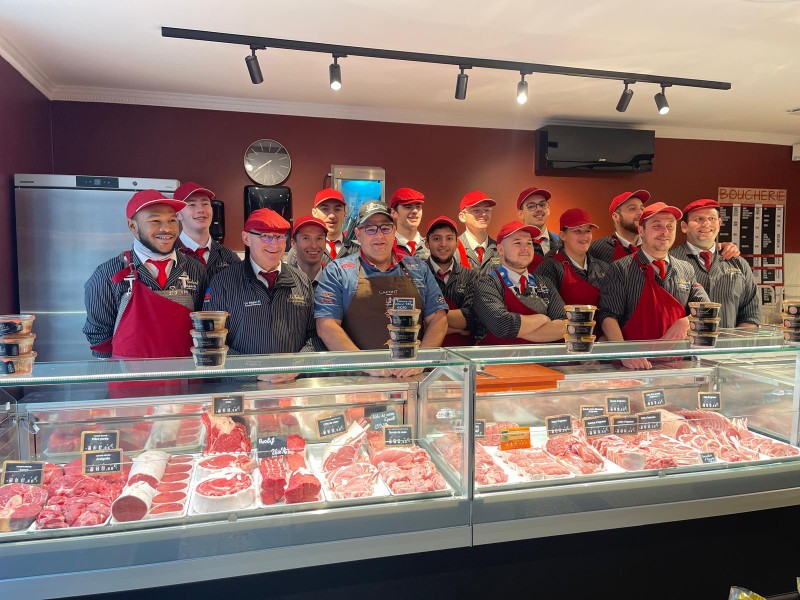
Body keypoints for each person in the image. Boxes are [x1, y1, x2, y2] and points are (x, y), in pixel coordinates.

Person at [315, 201, 448, 376]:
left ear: (394, 231)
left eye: (385, 228)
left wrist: (421, 361)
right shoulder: (338, 271)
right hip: (358, 379)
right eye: (370, 229)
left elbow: (438, 319)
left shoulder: (418, 269)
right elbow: (326, 325)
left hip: (410, 377)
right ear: (358, 234)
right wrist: (367, 365)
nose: (379, 236)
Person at [204, 208, 324, 383]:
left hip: (292, 386)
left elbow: (315, 335)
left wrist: (297, 365)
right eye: (265, 236)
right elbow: (210, 341)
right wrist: (255, 370)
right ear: (246, 238)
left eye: (280, 237)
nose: (274, 244)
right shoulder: (222, 283)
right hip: (239, 387)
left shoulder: (301, 280)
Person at [83, 189, 207, 359]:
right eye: (155, 220)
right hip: (128, 374)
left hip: (185, 373)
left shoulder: (196, 269)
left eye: (172, 220)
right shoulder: (107, 274)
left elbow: (206, 327)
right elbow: (100, 340)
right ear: (132, 226)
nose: (167, 229)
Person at [599, 202, 711, 369]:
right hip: (635, 365)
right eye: (657, 226)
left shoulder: (686, 269)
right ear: (641, 231)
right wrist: (624, 354)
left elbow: (707, 309)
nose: (664, 232)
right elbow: (608, 317)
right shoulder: (620, 269)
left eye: (670, 226)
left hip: (678, 365)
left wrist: (686, 322)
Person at [671, 198, 760, 329]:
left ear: (719, 223)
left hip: (732, 342)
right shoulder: (671, 262)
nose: (706, 224)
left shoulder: (738, 263)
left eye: (711, 218)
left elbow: (750, 315)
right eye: (698, 219)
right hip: (685, 342)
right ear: (684, 226)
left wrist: (737, 340)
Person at [474, 221, 567, 345]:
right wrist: (543, 319)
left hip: (542, 357)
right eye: (517, 243)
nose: (525, 248)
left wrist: (517, 330)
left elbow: (565, 325)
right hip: (500, 357)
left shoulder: (545, 283)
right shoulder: (487, 284)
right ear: (500, 250)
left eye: (529, 243)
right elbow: (502, 325)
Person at [534, 208, 609, 333]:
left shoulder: (604, 268)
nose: (584, 236)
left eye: (588, 231)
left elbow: (611, 310)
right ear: (562, 235)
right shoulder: (549, 267)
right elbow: (548, 313)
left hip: (599, 340)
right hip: (564, 340)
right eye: (577, 231)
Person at [425, 215, 480, 346]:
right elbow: (416, 321)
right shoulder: (417, 275)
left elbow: (473, 318)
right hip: (426, 352)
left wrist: (430, 319)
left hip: (463, 353)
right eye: (437, 238)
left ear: (457, 243)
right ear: (427, 243)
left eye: (449, 238)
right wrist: (459, 328)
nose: (443, 244)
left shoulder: (471, 276)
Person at [173, 181, 241, 280]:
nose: (201, 210)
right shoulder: (168, 255)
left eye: (205, 203)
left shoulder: (230, 258)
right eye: (192, 204)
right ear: (178, 214)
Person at [589, 190, 651, 263]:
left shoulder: (653, 244)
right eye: (632, 208)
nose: (640, 213)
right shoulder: (598, 249)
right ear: (616, 216)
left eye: (642, 209)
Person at [516, 186, 561, 271]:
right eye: (531, 206)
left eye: (542, 204)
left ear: (548, 209)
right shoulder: (512, 246)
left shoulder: (562, 243)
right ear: (521, 214)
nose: (539, 209)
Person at [456, 190, 500, 274]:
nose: (483, 214)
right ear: (462, 217)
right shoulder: (452, 249)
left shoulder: (499, 250)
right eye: (476, 210)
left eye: (487, 210)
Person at [312, 188, 358, 261]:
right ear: (314, 213)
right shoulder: (302, 251)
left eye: (337, 209)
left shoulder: (357, 251)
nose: (332, 216)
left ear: (344, 214)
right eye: (325, 209)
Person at [284, 215, 329, 287]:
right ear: (293, 243)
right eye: (306, 238)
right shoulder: (282, 282)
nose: (314, 246)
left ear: (325, 242)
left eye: (319, 238)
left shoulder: (336, 281)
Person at [390, 187, 429, 261]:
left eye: (418, 206)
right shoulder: (387, 248)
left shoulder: (430, 248)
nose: (415, 211)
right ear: (393, 213)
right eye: (408, 207)